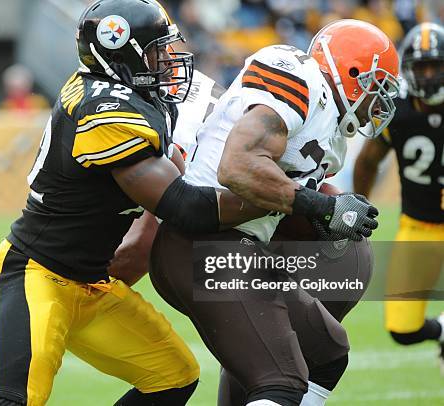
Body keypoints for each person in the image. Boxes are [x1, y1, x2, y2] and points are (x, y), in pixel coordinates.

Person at [0, 1, 267, 405]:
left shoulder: (135, 96)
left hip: (91, 284)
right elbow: (183, 206)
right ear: (121, 50)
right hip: (36, 275)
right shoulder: (106, 110)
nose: (169, 60)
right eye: (156, 50)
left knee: (173, 376)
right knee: (13, 399)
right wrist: (282, 200)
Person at [148, 19, 400, 406]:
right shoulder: (299, 75)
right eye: (375, 87)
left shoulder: (330, 134)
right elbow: (237, 167)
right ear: (351, 74)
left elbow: (283, 200)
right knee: (282, 381)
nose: (377, 105)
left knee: (327, 352)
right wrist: (324, 207)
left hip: (237, 245)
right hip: (203, 241)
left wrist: (323, 220)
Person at [353, 22, 444, 371]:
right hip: (418, 226)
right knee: (403, 329)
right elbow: (367, 161)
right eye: (423, 67)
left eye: (436, 65)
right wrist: (358, 206)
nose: (430, 75)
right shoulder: (397, 111)